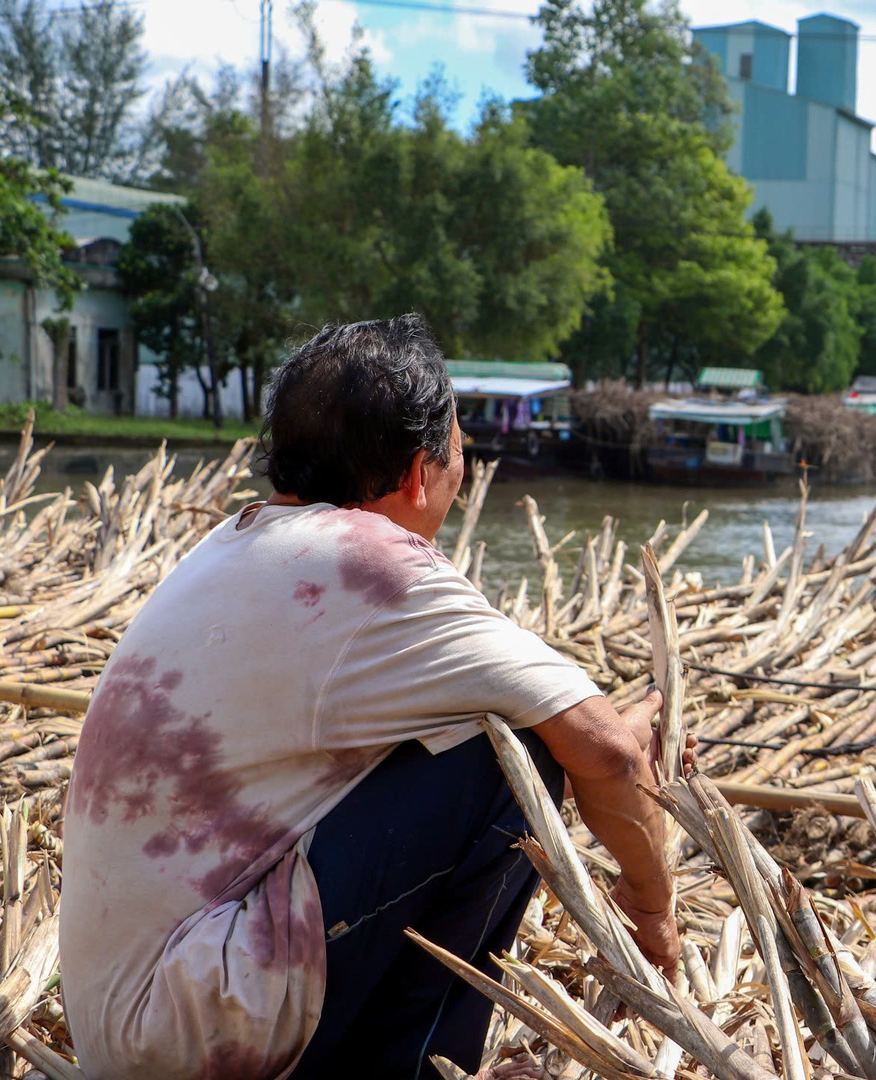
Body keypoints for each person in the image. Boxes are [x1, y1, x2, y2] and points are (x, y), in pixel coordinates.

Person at [60, 315, 684, 1079]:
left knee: (493, 728)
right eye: (459, 450)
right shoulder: (373, 568)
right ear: (421, 473)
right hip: (188, 1033)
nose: (463, 469)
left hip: (124, 1025)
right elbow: (610, 754)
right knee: (511, 757)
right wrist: (652, 910)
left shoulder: (233, 542)